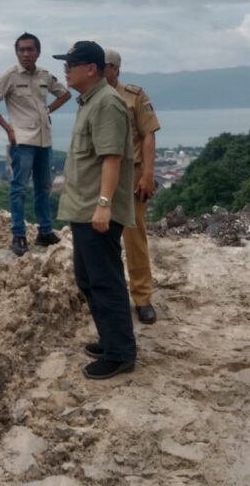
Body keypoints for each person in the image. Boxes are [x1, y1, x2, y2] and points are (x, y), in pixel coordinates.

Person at [54, 41, 137, 380]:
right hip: (82, 207)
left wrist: (104, 205)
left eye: (71, 64)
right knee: (88, 278)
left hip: (96, 210)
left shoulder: (107, 104)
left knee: (106, 281)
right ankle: (109, 339)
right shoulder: (90, 102)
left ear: (91, 68)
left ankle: (120, 354)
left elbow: (111, 159)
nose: (66, 70)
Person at [0, 32, 71, 256]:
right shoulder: (10, 76)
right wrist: (8, 128)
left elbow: (64, 94)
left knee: (44, 187)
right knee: (19, 188)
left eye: (30, 49)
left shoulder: (44, 75)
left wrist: (47, 110)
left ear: (38, 52)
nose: (25, 53)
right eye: (21, 50)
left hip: (44, 139)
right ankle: (19, 234)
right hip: (22, 140)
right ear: (16, 52)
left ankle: (45, 231)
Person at [104, 49, 161, 325]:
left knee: (134, 235)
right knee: (103, 237)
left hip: (132, 173)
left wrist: (148, 174)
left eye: (101, 66)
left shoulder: (134, 96)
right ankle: (112, 296)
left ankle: (142, 297)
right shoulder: (90, 98)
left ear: (113, 68)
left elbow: (148, 134)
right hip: (103, 175)